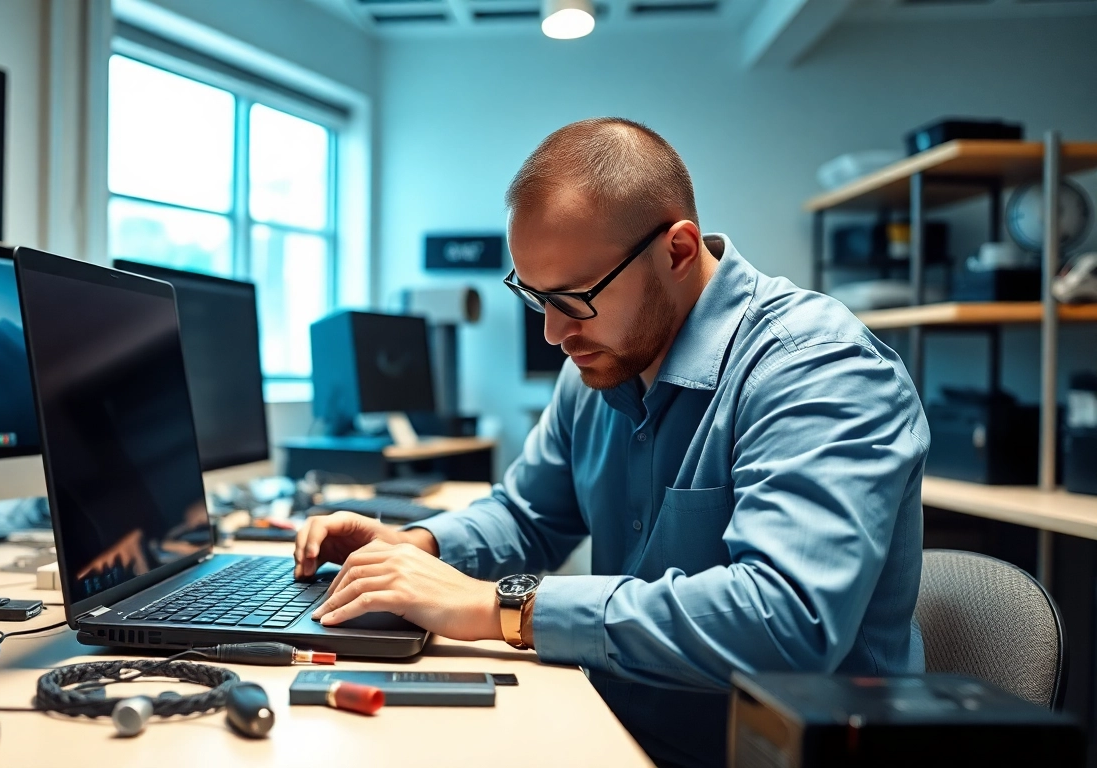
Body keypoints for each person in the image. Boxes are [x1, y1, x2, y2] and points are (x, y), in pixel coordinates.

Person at [294, 117, 928, 768]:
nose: (553, 334)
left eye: (574, 298)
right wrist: (415, 548)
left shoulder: (817, 370)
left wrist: (504, 607)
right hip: (619, 734)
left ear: (678, 251)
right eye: (535, 297)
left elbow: (785, 621)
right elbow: (528, 513)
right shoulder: (595, 365)